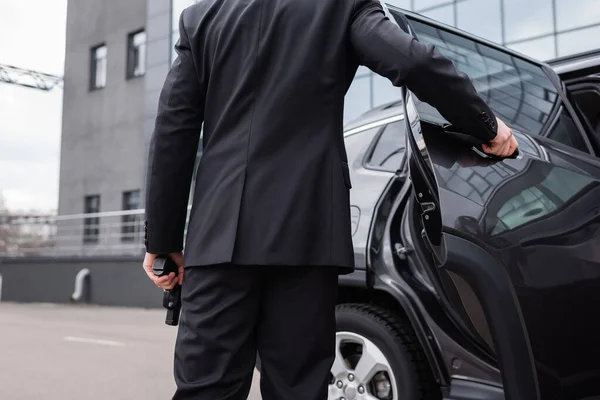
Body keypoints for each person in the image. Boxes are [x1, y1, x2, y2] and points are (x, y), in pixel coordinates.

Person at [142, 0, 518, 399]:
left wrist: (162, 242)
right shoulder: (342, 6)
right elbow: (414, 63)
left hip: (219, 238)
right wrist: (486, 125)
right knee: (299, 388)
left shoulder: (203, 17)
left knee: (205, 389)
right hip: (307, 234)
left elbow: (173, 130)